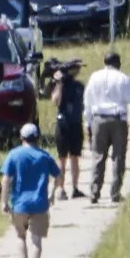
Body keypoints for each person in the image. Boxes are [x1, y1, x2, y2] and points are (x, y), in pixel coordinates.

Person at [0, 122, 60, 258]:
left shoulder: (14, 155)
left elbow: (6, 180)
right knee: (36, 240)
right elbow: (58, 176)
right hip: (40, 204)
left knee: (20, 236)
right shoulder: (45, 156)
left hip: (19, 204)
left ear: (21, 137)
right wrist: (53, 194)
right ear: (37, 138)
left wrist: (4, 202)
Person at [83, 49, 130, 203]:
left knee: (98, 157)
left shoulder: (94, 77)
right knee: (118, 157)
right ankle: (115, 193)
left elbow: (88, 102)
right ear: (118, 63)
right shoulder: (123, 78)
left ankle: (94, 192)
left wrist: (88, 123)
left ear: (105, 62)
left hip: (99, 119)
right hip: (118, 120)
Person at [50, 60, 85, 197]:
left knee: (75, 157)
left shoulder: (79, 86)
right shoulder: (60, 85)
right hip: (63, 124)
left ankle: (75, 188)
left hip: (76, 123)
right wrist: (59, 84)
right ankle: (61, 189)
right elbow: (56, 101)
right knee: (62, 158)